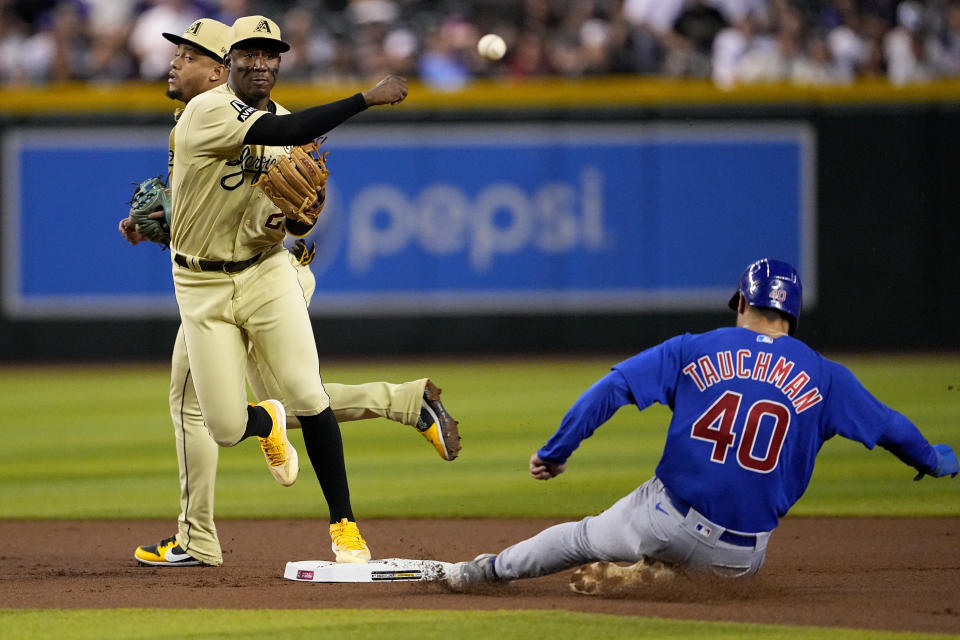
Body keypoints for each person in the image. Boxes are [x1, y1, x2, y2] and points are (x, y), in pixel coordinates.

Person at [119, 19, 460, 568]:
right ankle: (279, 423)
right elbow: (266, 140)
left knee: (305, 393)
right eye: (249, 53)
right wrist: (364, 100)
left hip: (266, 274)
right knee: (227, 424)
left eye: (270, 54)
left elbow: (289, 212)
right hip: (202, 287)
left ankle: (344, 526)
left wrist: (299, 215)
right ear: (227, 63)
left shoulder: (277, 123)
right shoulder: (208, 111)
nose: (260, 62)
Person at [446, 257, 958, 592]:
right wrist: (933, 460)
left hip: (666, 517)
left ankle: (487, 570)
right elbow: (892, 428)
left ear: (741, 302)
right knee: (713, 565)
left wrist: (557, 451)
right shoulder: (826, 376)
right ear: (793, 316)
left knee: (581, 537)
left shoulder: (695, 347)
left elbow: (611, 389)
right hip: (740, 558)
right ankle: (662, 577)